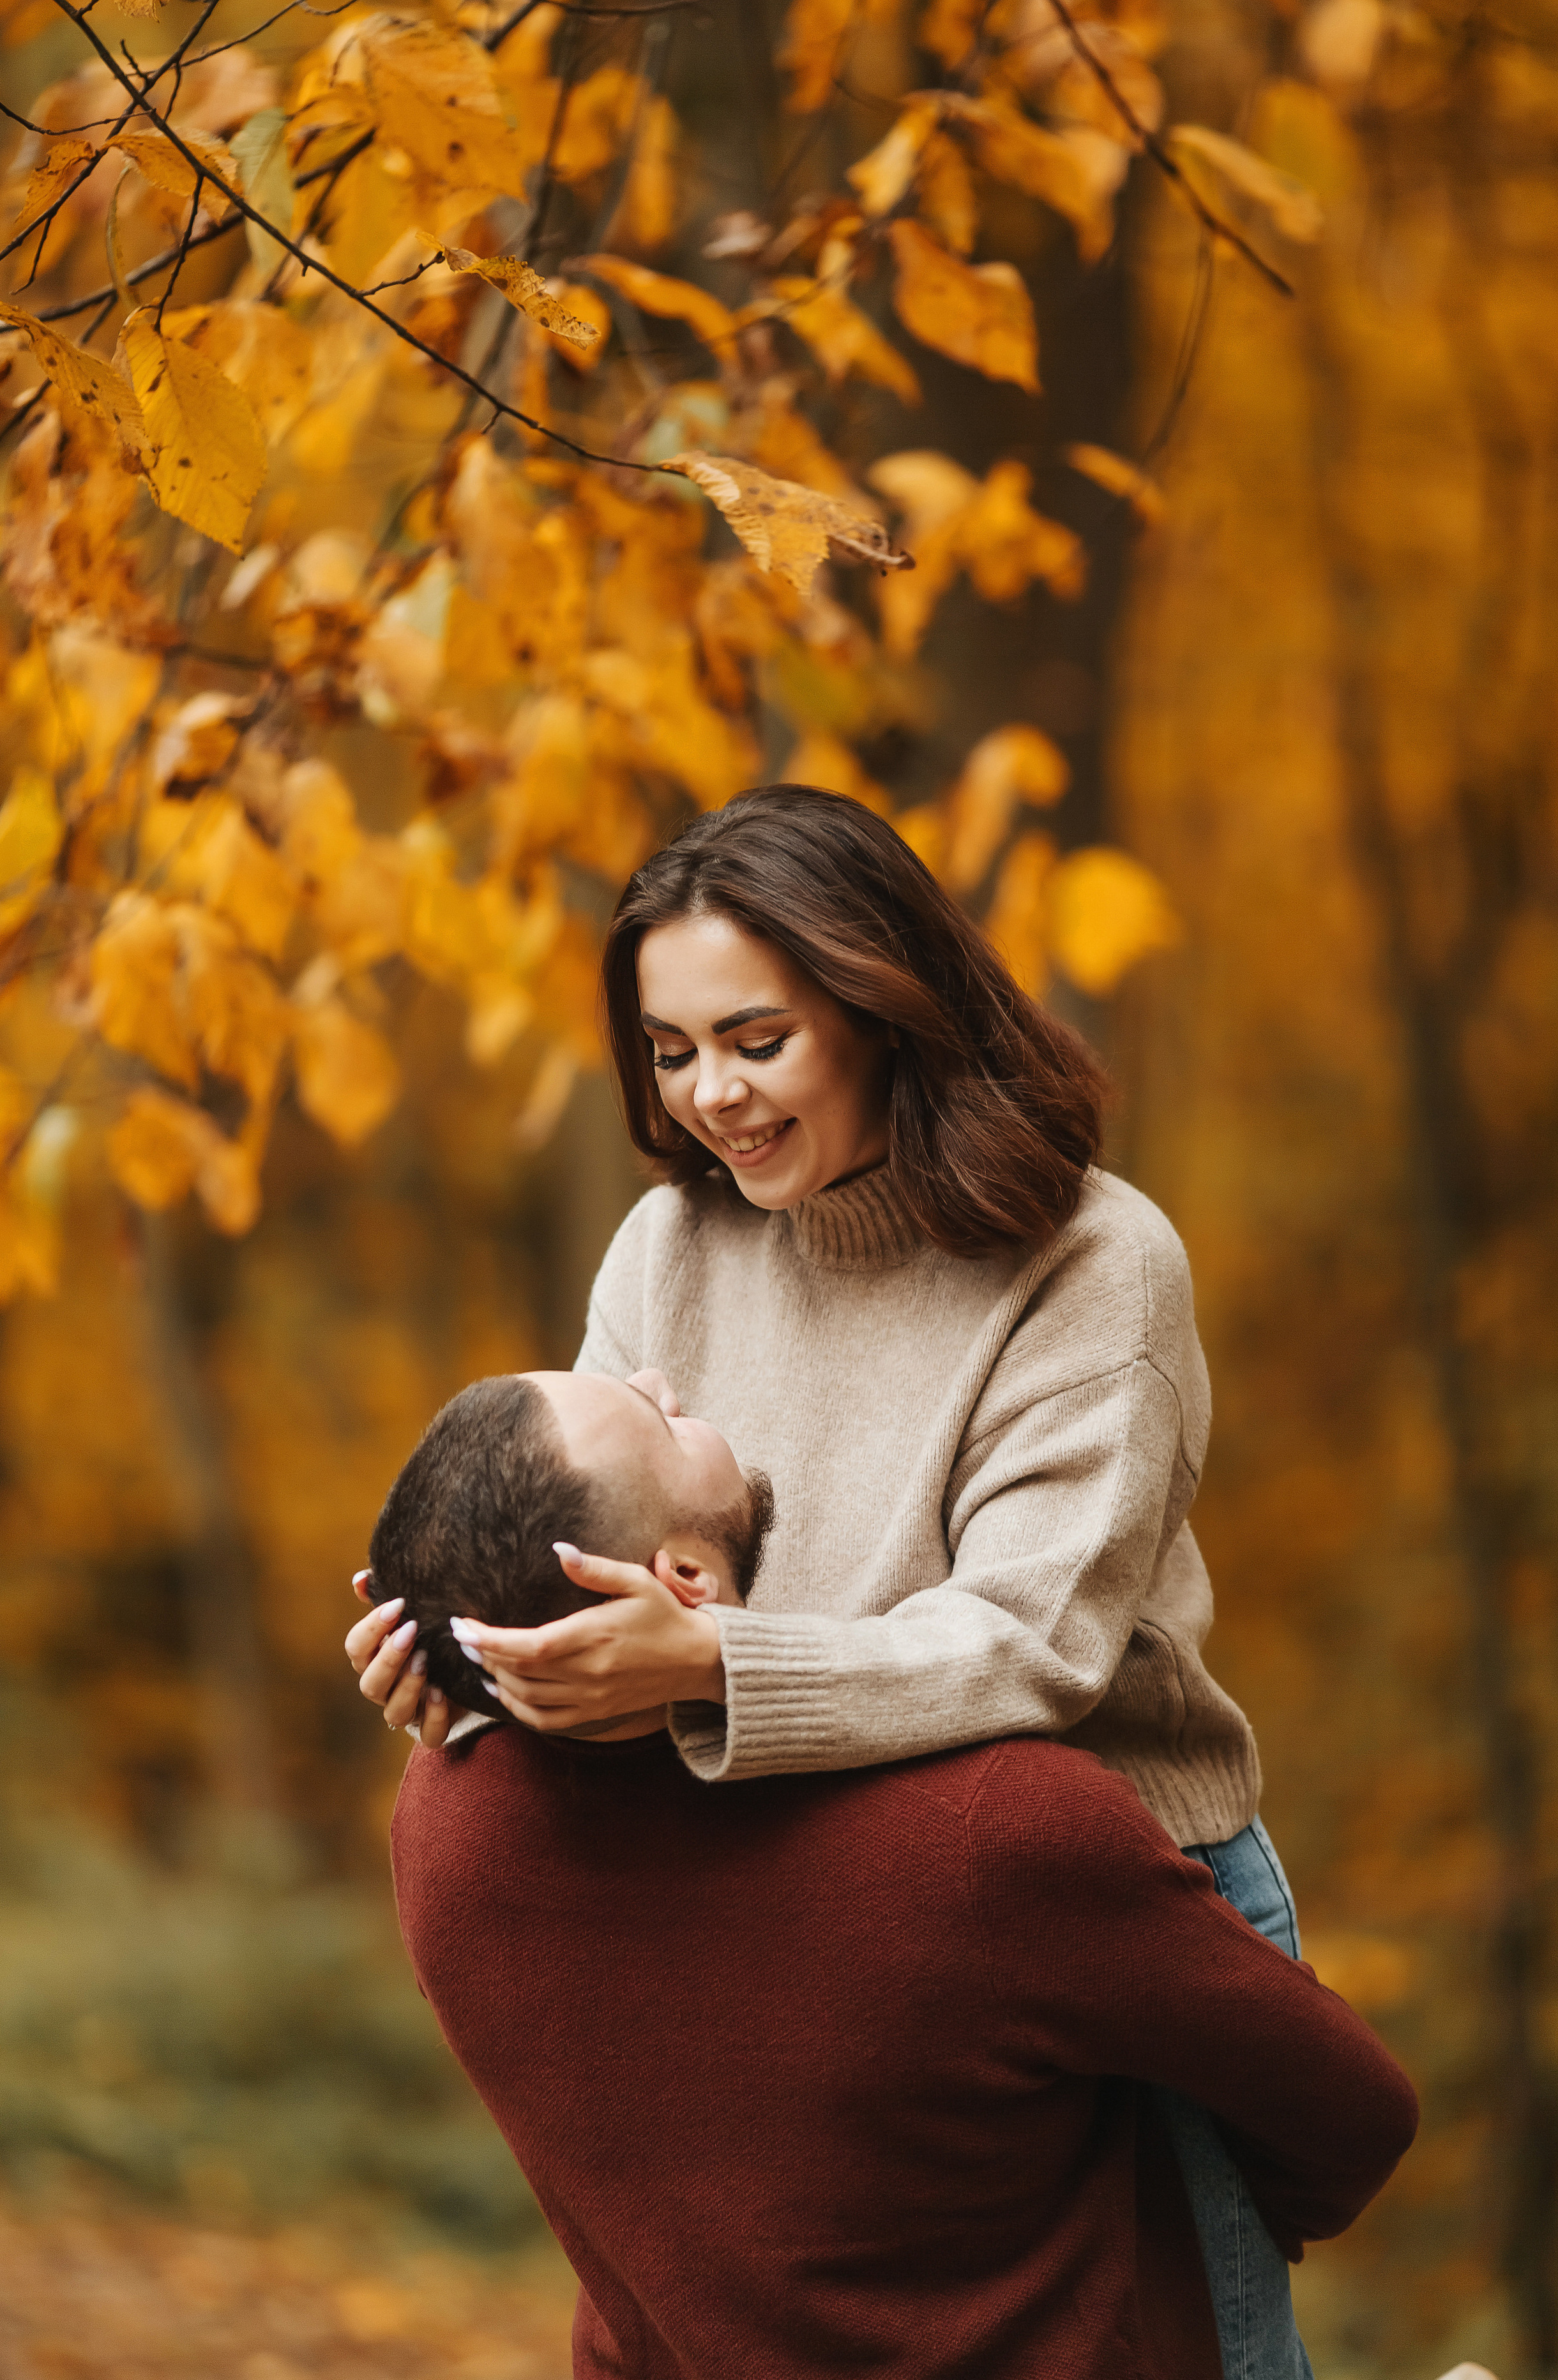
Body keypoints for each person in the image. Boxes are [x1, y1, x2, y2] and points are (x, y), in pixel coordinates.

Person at [348, 784, 1311, 2376]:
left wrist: (709, 1673)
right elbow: (592, 1576)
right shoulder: (666, 1251)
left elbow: (1029, 1646)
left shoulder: (1093, 1264)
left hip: (1117, 1917)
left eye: (754, 1038)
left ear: (881, 1007)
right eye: (670, 1053)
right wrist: (472, 1680)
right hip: (808, 1924)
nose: (711, 1095)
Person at [377, 1365, 1420, 2380]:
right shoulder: (997, 1836)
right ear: (683, 1583)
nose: (661, 1378)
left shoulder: (444, 1831)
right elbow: (1354, 2115)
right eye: (655, 1422)